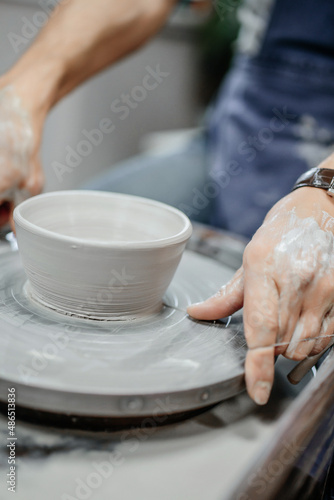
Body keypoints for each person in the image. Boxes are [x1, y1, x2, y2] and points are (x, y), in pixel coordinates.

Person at [0, 0, 334, 409]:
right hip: (245, 135)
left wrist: (326, 194)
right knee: (75, 227)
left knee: (300, 376)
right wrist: (20, 97)